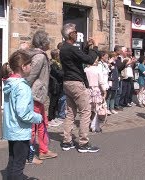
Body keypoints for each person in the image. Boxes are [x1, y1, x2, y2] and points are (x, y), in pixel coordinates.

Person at [59, 23, 100, 153]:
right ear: (70, 34)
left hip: (67, 82)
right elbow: (89, 60)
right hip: (76, 83)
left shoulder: (64, 48)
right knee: (86, 111)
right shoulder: (71, 48)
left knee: (70, 113)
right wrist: (95, 47)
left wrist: (87, 47)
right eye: (75, 32)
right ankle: (83, 143)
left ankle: (67, 141)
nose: (77, 34)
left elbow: (80, 57)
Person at [2, 50, 42, 180]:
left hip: (11, 129)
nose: (31, 67)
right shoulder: (22, 87)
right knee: (19, 161)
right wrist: (38, 117)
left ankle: (13, 177)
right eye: (30, 65)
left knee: (13, 158)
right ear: (24, 67)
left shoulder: (10, 83)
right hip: (19, 130)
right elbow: (23, 113)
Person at [25, 30, 58, 160]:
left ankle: (44, 151)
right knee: (33, 126)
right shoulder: (39, 56)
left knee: (42, 123)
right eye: (48, 40)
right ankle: (30, 155)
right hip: (35, 95)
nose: (50, 42)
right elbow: (30, 77)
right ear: (43, 42)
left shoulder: (40, 55)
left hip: (39, 95)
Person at [85, 59, 106, 133]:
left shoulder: (86, 70)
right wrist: (104, 90)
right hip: (96, 90)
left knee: (89, 109)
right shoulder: (97, 70)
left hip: (88, 90)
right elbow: (101, 82)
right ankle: (94, 126)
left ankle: (87, 125)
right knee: (97, 109)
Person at [48, 49, 64, 127]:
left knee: (57, 101)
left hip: (58, 85)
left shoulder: (58, 63)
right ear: (56, 56)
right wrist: (64, 72)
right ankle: (51, 118)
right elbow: (58, 73)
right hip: (54, 85)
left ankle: (54, 117)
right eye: (59, 55)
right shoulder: (52, 64)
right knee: (53, 102)